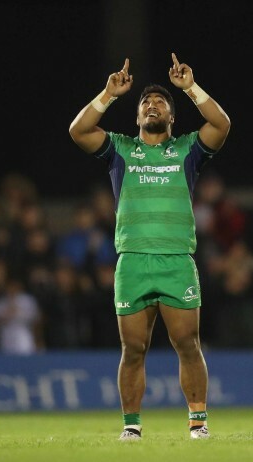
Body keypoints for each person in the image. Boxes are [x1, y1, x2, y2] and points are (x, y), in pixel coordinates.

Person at [69, 53, 230, 440]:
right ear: (137, 117)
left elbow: (221, 125)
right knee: (134, 348)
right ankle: (132, 428)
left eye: (160, 103)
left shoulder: (188, 150)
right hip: (133, 261)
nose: (152, 105)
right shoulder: (120, 150)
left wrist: (189, 88)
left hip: (176, 260)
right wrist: (108, 95)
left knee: (188, 343)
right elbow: (78, 130)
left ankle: (198, 423)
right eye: (145, 103)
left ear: (172, 117)